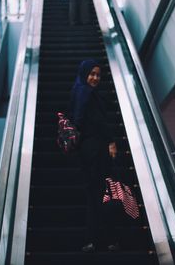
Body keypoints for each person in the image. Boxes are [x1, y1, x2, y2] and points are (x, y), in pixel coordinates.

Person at [69, 59, 119, 252]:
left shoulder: (78, 91)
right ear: (84, 73)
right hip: (96, 151)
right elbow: (99, 122)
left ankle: (93, 240)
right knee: (104, 194)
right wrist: (111, 141)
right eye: (92, 74)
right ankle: (105, 240)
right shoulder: (87, 94)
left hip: (87, 151)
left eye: (98, 74)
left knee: (95, 194)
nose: (95, 78)